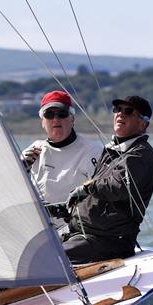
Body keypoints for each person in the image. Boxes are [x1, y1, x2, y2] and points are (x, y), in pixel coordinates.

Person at [62, 95, 153, 265]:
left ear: (143, 124)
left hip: (110, 240)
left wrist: (85, 189)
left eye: (128, 111)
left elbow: (117, 187)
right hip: (84, 233)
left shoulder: (141, 154)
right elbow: (98, 189)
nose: (121, 114)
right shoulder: (112, 149)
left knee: (47, 260)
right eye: (118, 110)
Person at [21, 90, 101, 231]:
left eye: (62, 114)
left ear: (72, 119)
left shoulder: (93, 151)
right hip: (38, 230)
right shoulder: (34, 150)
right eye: (49, 115)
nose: (56, 119)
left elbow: (103, 194)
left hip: (77, 230)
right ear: (42, 122)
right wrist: (21, 169)